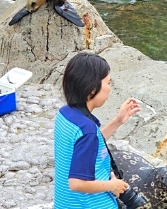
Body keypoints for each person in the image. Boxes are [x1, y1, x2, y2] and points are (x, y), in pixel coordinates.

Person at [54, 52, 142, 208]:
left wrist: (118, 121)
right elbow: (76, 183)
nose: (109, 89)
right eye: (108, 83)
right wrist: (112, 186)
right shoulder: (87, 130)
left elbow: (89, 145)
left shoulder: (66, 114)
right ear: (92, 89)